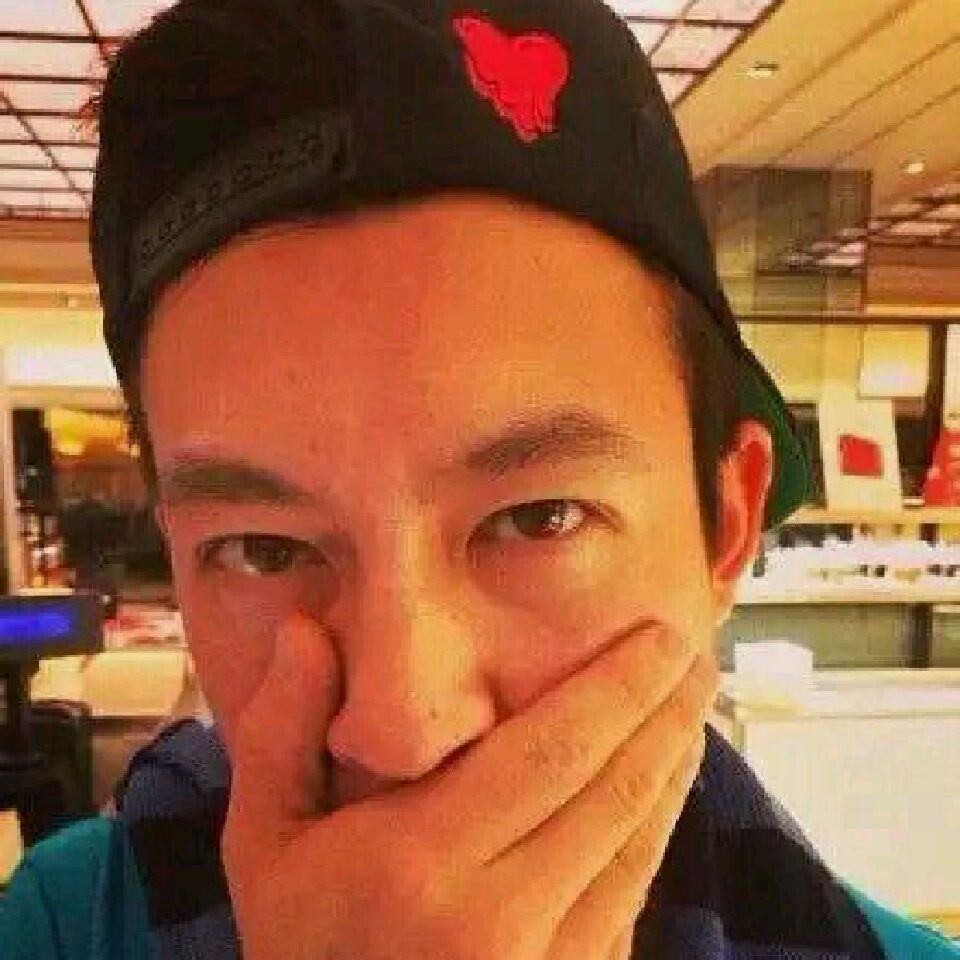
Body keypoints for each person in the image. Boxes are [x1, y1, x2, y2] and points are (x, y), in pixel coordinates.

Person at [1, 0, 957, 957]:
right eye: (263, 550)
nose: (401, 732)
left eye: (540, 518)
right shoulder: (55, 926)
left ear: (726, 526)